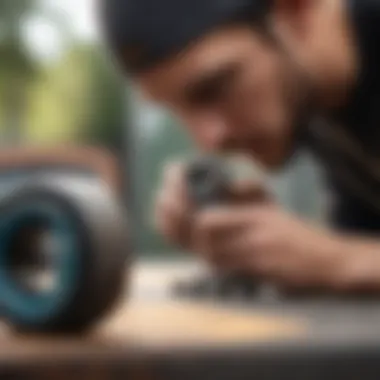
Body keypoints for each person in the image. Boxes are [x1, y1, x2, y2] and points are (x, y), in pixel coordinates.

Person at [100, 0, 380, 292]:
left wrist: (338, 261)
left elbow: (348, 262)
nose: (208, 141)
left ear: (298, 10)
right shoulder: (319, 105)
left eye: (214, 88)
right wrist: (270, 246)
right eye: (176, 110)